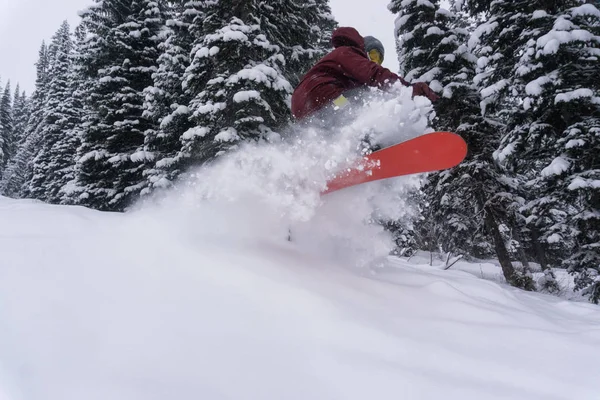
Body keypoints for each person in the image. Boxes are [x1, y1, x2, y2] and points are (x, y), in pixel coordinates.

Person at [291, 27, 439, 121]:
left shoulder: (342, 62)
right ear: (363, 50)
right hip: (325, 94)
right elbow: (374, 74)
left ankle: (334, 161)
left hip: (305, 108)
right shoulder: (348, 53)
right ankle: (370, 143)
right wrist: (408, 89)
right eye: (373, 55)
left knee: (337, 126)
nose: (375, 61)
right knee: (363, 104)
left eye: (379, 59)